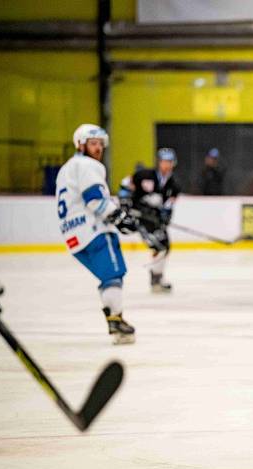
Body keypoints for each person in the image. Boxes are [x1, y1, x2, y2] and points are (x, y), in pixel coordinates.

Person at [55, 124, 139, 344]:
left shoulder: (66, 169)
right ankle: (116, 321)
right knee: (114, 274)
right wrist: (118, 216)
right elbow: (94, 199)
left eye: (101, 144)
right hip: (94, 231)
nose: (98, 148)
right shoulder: (89, 165)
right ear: (80, 145)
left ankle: (115, 319)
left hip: (73, 238)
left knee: (107, 277)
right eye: (93, 143)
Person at [131, 148, 181, 293]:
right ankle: (155, 279)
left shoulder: (174, 184)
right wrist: (130, 205)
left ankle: (157, 277)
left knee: (165, 247)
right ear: (159, 162)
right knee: (159, 246)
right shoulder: (144, 175)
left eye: (170, 162)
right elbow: (125, 187)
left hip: (155, 221)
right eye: (164, 161)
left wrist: (166, 217)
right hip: (140, 219)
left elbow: (169, 205)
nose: (167, 165)